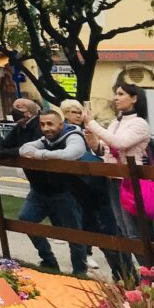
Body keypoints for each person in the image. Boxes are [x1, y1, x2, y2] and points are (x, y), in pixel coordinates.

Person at [63, 99, 132, 282]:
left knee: (124, 233)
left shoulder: (134, 125)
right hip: (94, 189)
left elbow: (115, 146)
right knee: (108, 233)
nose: (78, 115)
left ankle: (132, 276)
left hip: (109, 185)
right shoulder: (69, 133)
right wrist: (95, 142)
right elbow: (103, 150)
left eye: (79, 112)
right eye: (73, 112)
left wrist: (93, 128)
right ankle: (123, 276)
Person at [18, 106, 92, 276]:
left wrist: (41, 156)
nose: (46, 128)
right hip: (41, 192)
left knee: (74, 233)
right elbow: (24, 149)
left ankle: (80, 272)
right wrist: (41, 152)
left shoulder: (73, 135)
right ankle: (49, 261)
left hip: (67, 192)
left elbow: (72, 153)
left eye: (50, 124)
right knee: (25, 220)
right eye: (42, 124)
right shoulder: (46, 139)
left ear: (61, 124)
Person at [84, 82, 154, 249]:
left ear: (134, 98)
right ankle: (146, 271)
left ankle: (150, 270)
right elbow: (104, 150)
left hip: (131, 180)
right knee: (123, 227)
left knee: (135, 231)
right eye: (116, 94)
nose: (116, 98)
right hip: (114, 179)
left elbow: (120, 143)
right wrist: (91, 137)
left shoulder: (139, 124)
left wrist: (93, 124)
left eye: (121, 94)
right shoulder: (116, 123)